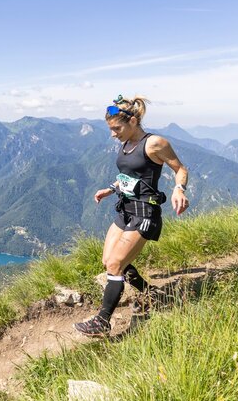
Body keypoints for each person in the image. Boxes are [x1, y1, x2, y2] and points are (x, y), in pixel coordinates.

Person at [74, 95, 189, 337]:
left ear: (134, 121)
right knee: (108, 261)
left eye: (117, 128)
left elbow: (180, 169)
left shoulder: (155, 143)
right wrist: (111, 188)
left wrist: (179, 189)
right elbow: (130, 176)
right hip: (125, 209)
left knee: (116, 264)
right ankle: (152, 294)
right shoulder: (125, 143)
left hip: (145, 213)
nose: (113, 134)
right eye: (111, 129)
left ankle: (102, 320)